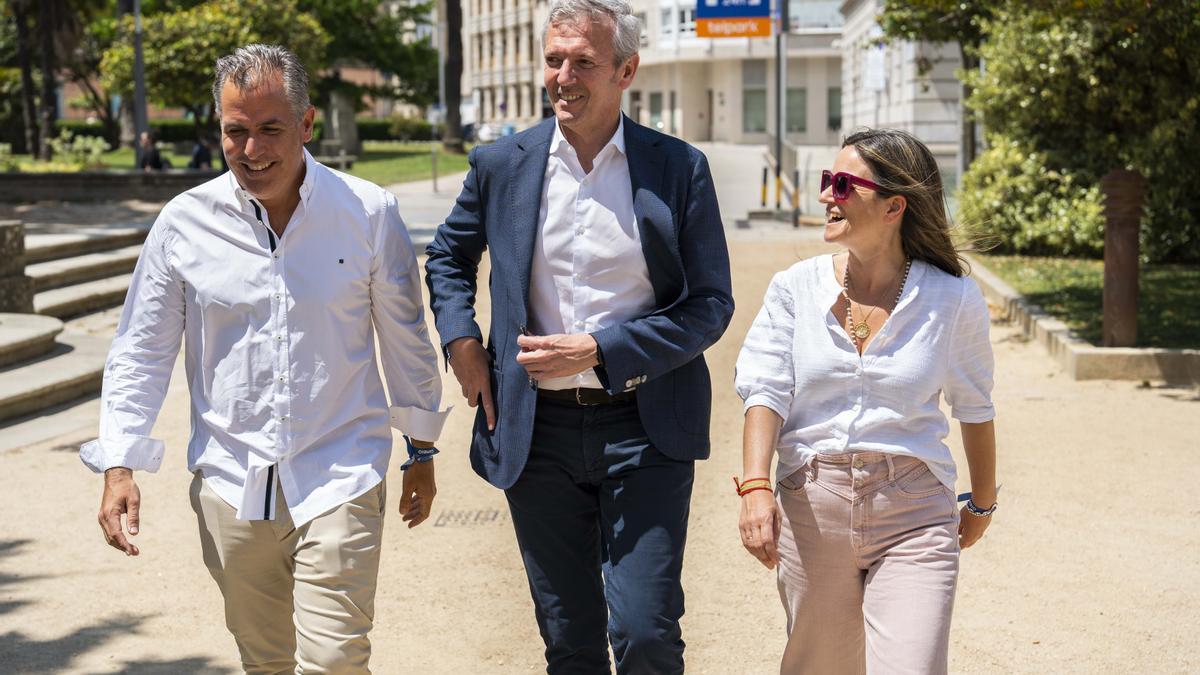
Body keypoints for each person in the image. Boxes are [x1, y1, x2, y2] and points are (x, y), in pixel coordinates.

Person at [81, 44, 449, 674]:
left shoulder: (368, 213)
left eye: (270, 130)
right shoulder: (182, 224)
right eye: (236, 132)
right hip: (229, 476)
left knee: (334, 661)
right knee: (265, 661)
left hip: (341, 468)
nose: (252, 150)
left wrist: (420, 450)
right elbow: (141, 349)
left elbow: (405, 338)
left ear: (306, 125)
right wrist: (120, 461)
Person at [424, 0, 734, 671]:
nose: (563, 75)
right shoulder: (501, 164)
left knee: (647, 633)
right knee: (570, 641)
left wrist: (602, 350)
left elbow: (710, 304)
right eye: (554, 59)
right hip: (536, 433)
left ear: (626, 70)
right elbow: (447, 255)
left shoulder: (679, 168)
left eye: (583, 62)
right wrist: (462, 340)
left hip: (645, 426)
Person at [734, 128, 998, 674]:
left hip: (915, 509)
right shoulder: (794, 288)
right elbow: (765, 390)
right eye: (828, 181)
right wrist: (756, 486)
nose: (828, 194)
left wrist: (982, 502)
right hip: (813, 503)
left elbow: (974, 406)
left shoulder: (953, 297)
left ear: (894, 206)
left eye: (844, 184)